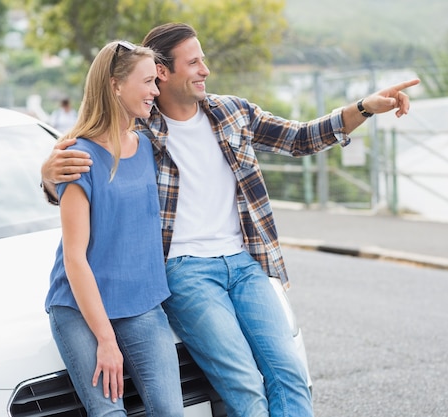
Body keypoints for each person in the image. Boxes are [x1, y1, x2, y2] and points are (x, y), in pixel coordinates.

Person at [41, 23, 420, 417]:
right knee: (243, 383)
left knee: (289, 371)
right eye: (194, 62)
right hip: (185, 270)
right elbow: (90, 167)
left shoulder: (232, 113)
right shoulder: (141, 129)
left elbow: (300, 138)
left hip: (244, 263)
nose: (205, 70)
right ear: (163, 72)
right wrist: (50, 174)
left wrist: (363, 108)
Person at [44, 40, 184, 417]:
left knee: (169, 412)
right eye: (149, 82)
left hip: (140, 302)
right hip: (79, 306)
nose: (156, 91)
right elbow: (74, 259)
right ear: (115, 85)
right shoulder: (78, 158)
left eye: (157, 82)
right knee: (108, 413)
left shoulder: (152, 146)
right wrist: (105, 339)